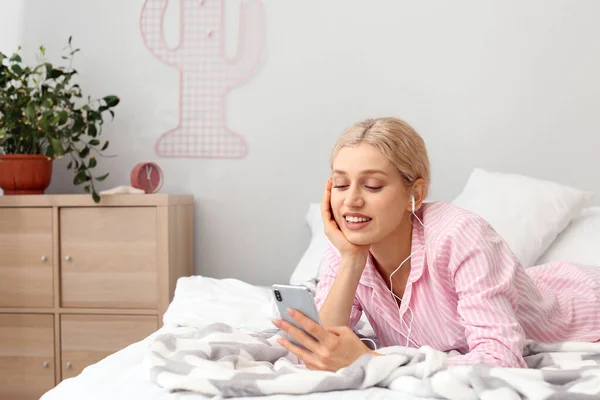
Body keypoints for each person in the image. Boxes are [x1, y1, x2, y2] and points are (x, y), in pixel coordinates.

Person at [271, 117, 600, 372]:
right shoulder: (349, 245)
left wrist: (372, 360)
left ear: (414, 194)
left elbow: (502, 360)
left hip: (585, 310)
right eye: (341, 183)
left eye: (372, 185)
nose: (351, 201)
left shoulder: (462, 235)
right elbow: (318, 352)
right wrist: (352, 260)